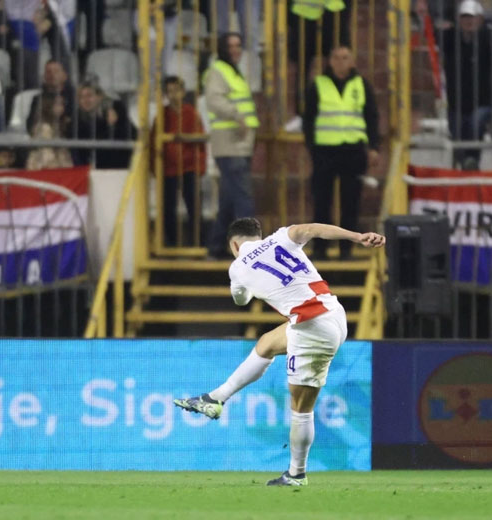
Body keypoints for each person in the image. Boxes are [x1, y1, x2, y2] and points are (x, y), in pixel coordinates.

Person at [174, 217, 385, 486]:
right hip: (333, 313)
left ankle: (297, 474)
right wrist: (357, 236)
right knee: (266, 344)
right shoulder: (282, 236)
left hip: (311, 327)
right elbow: (314, 229)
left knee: (300, 408)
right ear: (259, 236)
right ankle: (215, 398)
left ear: (234, 245)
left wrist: (242, 280)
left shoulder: (237, 267)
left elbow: (241, 300)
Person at [302, 45, 380, 260]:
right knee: (321, 202)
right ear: (330, 61)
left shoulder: (361, 84)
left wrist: (373, 147)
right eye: (336, 57)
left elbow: (371, 117)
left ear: (352, 61)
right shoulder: (318, 85)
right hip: (325, 152)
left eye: (345, 58)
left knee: (351, 202)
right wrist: (312, 148)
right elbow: (308, 120)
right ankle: (320, 250)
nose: (340, 62)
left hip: (353, 151)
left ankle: (347, 250)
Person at [204, 33, 258, 259]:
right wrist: (237, 116)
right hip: (230, 143)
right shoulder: (219, 70)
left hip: (238, 143)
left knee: (228, 200)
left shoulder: (231, 70)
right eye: (231, 45)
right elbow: (214, 101)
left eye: (238, 45)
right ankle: (250, 250)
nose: (236, 49)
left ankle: (215, 248)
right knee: (242, 197)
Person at [150, 76, 207, 246]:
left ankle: (198, 244)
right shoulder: (161, 115)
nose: (173, 95)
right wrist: (155, 168)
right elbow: (154, 144)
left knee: (194, 208)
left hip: (189, 167)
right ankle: (172, 244)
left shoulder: (192, 113)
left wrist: (200, 166)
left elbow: (201, 142)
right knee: (168, 210)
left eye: (176, 90)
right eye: (170, 91)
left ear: (183, 92)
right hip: (168, 168)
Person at [442, 0, 492, 170]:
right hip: (456, 103)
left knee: (475, 124)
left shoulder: (487, 40)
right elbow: (435, 33)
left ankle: (470, 162)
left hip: (482, 103)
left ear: (479, 19)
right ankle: (467, 164)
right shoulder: (451, 39)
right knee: (457, 133)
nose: (468, 21)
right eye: (464, 17)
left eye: (471, 17)